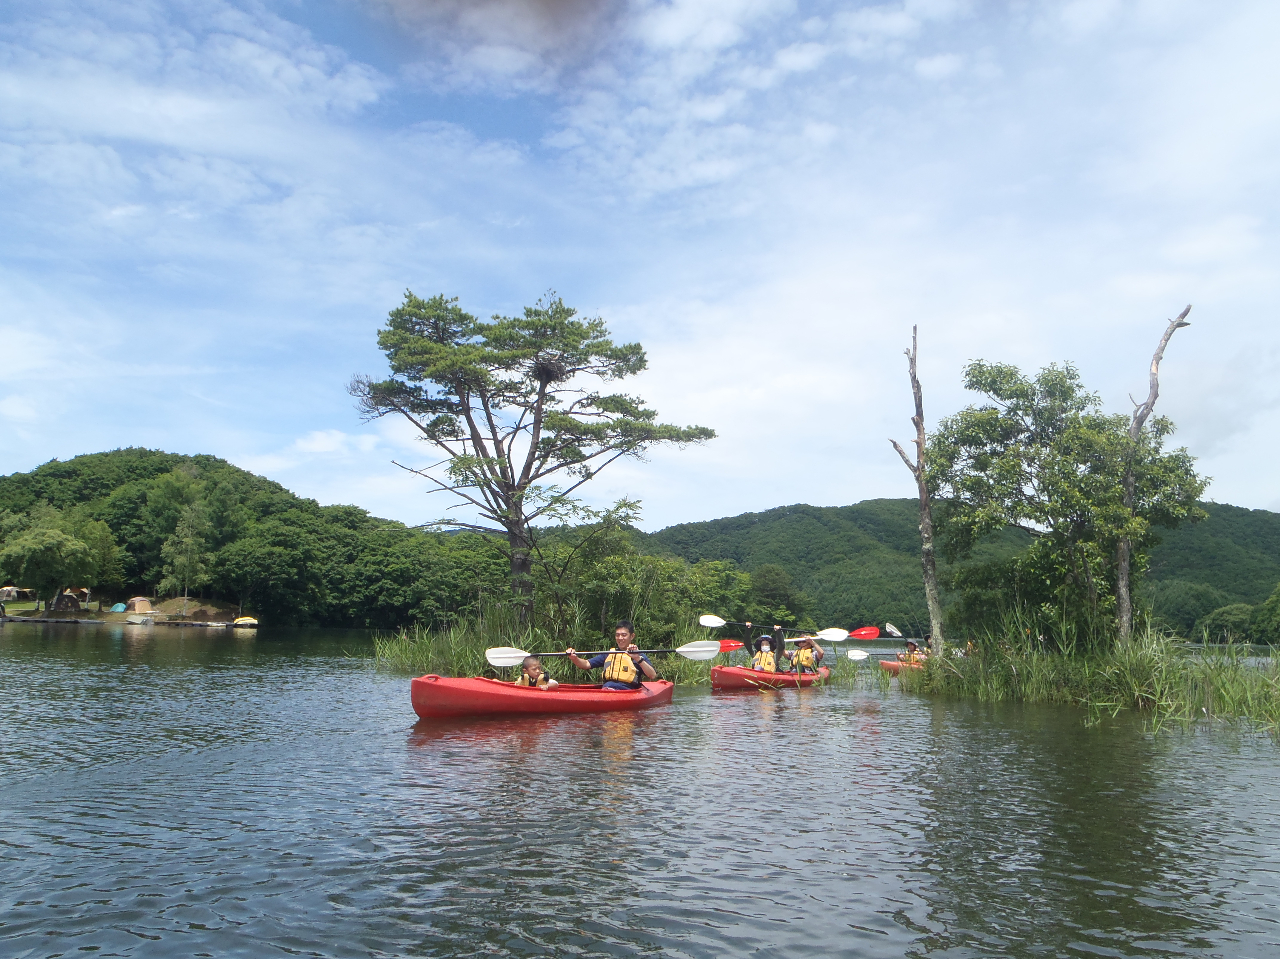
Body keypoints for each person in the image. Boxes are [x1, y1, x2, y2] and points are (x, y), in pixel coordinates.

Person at [566, 620, 658, 690]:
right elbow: (586, 664)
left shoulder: (638, 655)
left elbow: (652, 675)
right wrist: (574, 658)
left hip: (626, 692)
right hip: (607, 690)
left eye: (623, 635)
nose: (620, 638)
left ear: (632, 636)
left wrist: (638, 659)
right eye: (617, 635)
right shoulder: (609, 654)